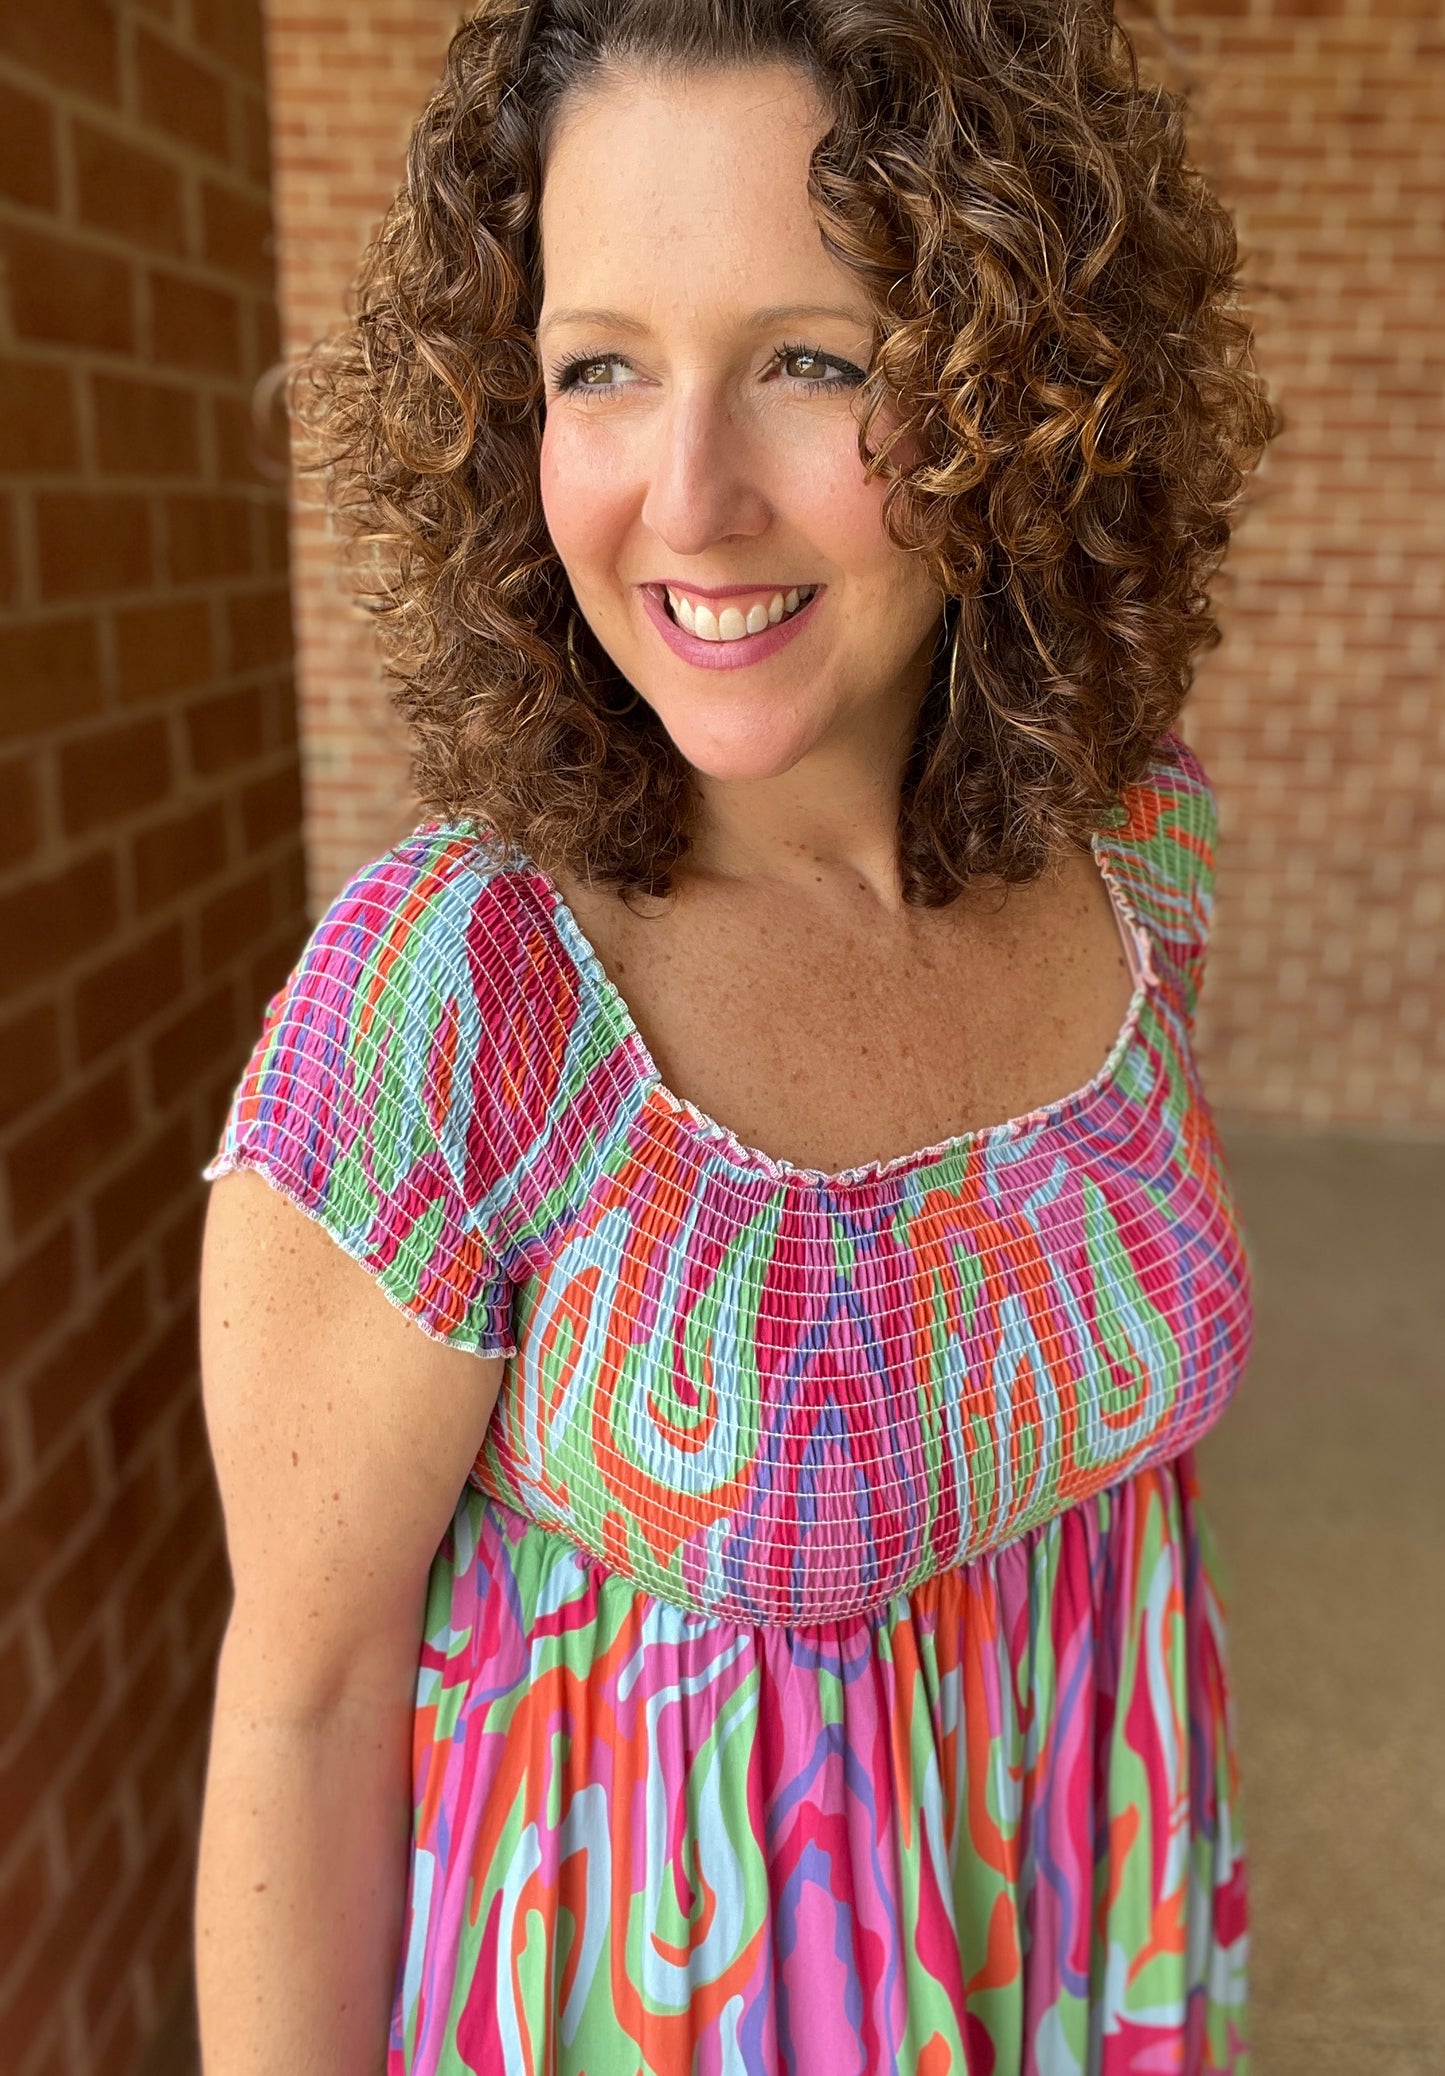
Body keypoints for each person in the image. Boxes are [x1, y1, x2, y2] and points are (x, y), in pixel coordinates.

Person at [193, 2, 1276, 2070]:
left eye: (812, 362)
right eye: (600, 365)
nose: (688, 499)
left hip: (1086, 1970)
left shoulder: (1139, 851)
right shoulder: (455, 1004)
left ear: (1010, 391)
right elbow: (306, 1711)